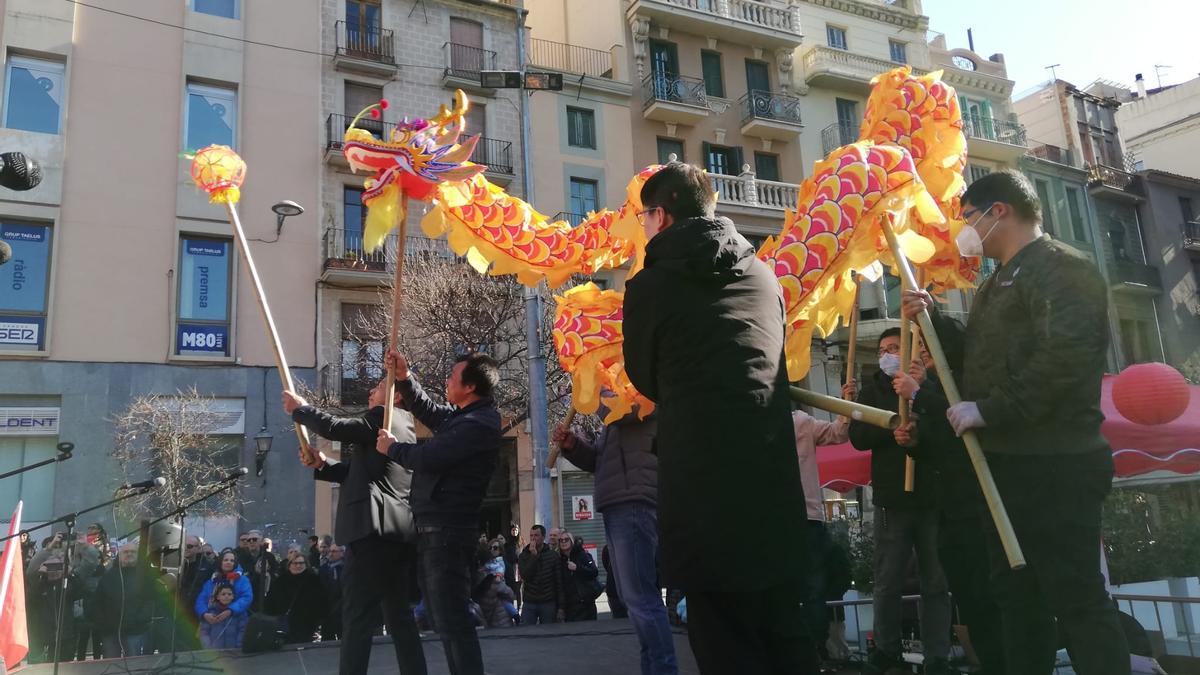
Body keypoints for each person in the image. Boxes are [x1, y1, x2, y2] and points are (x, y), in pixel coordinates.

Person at [902, 170, 1130, 675]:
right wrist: (934, 321)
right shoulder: (991, 286)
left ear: (997, 211)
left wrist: (990, 410)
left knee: (1075, 595)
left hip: (1057, 462)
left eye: (968, 218)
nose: (964, 230)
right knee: (1015, 596)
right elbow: (978, 361)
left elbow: (1065, 359)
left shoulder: (1065, 269)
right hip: (1004, 465)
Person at [621, 161, 817, 673]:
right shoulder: (764, 275)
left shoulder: (649, 285)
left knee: (724, 641)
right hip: (772, 481)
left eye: (644, 216)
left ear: (660, 216)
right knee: (785, 638)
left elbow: (644, 377)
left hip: (704, 487)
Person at [285, 379, 427, 675]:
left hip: (372, 533)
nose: (370, 392)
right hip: (396, 533)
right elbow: (364, 473)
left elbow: (336, 427)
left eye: (378, 386)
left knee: (358, 617)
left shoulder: (382, 418)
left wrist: (301, 410)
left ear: (395, 396)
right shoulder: (405, 427)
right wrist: (324, 464)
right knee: (399, 617)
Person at [376, 350, 503, 675]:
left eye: (452, 376)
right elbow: (430, 411)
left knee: (454, 622)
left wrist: (392, 448)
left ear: (471, 386)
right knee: (444, 620)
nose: (447, 381)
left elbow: (431, 455)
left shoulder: (480, 424)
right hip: (434, 531)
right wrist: (404, 379)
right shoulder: (463, 417)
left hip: (447, 533)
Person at [895, 330, 1007, 675]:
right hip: (951, 512)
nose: (924, 353)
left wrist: (920, 394)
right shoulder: (933, 391)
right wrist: (913, 443)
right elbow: (943, 452)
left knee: (993, 601)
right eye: (922, 347)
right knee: (971, 603)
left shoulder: (969, 383)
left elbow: (966, 435)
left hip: (982, 509)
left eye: (930, 345)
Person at [849, 327, 953, 675]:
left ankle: (938, 655)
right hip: (892, 498)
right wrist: (891, 427)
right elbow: (858, 436)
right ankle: (887, 650)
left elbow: (946, 430)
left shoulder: (931, 386)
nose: (887, 354)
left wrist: (919, 423)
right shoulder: (872, 389)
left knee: (936, 581)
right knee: (887, 579)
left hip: (931, 496)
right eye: (882, 350)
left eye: (894, 347)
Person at [553, 403, 677, 674]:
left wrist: (594, 393)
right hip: (617, 500)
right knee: (633, 599)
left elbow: (623, 411)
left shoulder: (640, 394)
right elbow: (599, 461)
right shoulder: (614, 412)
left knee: (641, 598)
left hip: (634, 499)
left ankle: (664, 669)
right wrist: (573, 445)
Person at [794, 381, 856, 673]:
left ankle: (811, 651)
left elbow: (839, 433)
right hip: (802, 518)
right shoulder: (802, 423)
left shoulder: (802, 424)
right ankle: (812, 652)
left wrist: (846, 402)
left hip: (796, 519)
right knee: (812, 590)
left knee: (808, 590)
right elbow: (839, 432)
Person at [94, 543, 160, 658]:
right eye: (125, 552)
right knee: (111, 666)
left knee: (135, 665)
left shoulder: (146, 576)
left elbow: (152, 600)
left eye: (133, 552)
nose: (129, 554)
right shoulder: (108, 576)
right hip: (110, 632)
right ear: (119, 555)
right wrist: (103, 622)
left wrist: (140, 619)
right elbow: (97, 601)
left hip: (136, 631)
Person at [26, 554, 81, 664]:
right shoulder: (41, 584)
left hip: (65, 635)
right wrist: (40, 575)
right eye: (50, 567)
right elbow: (31, 598)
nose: (54, 570)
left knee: (64, 667)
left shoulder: (67, 584)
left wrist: (71, 574)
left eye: (57, 566)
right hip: (44, 635)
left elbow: (80, 591)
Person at [265, 556, 328, 643]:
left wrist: (317, 620)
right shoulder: (281, 581)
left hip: (307, 624)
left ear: (306, 565)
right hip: (285, 623)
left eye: (301, 563)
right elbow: (270, 601)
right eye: (295, 563)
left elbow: (322, 601)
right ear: (289, 565)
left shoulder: (313, 580)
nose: (298, 566)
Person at [195, 549, 253, 633]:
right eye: (225, 560)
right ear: (220, 562)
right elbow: (201, 599)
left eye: (232, 560)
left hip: (235, 622)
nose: (228, 562)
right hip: (212, 621)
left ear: (235, 564)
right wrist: (204, 614)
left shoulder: (242, 580)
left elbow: (247, 597)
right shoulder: (212, 580)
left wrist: (230, 610)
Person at [517, 525, 564, 625]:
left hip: (548, 601)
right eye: (531, 535)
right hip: (530, 601)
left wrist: (561, 607)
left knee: (549, 633)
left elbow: (559, 582)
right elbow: (525, 575)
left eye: (536, 535)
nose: (533, 538)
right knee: (526, 632)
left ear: (543, 537)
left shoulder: (552, 556)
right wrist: (533, 556)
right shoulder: (524, 555)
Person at [556, 531, 599, 622]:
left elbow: (594, 571)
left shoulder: (582, 555)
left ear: (571, 541)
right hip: (570, 606)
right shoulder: (560, 560)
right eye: (561, 540)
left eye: (566, 539)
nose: (563, 542)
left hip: (586, 603)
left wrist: (577, 568)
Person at [198, 583, 249, 650]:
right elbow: (204, 633)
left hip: (234, 653)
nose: (226, 596)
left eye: (229, 594)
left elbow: (243, 631)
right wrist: (208, 648)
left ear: (233, 597)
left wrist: (238, 647)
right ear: (218, 597)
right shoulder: (210, 613)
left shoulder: (240, 613)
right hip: (215, 653)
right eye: (223, 594)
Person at [236, 530, 277, 612]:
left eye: (254, 539)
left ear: (261, 542)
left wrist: (266, 574)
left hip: (264, 597)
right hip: (247, 596)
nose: (251, 542)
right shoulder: (241, 558)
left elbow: (275, 574)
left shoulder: (269, 557)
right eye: (249, 540)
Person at [318, 544, 345, 642]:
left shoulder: (346, 568)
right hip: (328, 610)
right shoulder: (324, 568)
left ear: (342, 553)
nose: (330, 554)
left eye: (334, 551)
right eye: (330, 551)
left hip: (343, 609)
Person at [503, 524, 521, 608]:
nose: (514, 532)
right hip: (511, 567)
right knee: (511, 588)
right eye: (513, 530)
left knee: (518, 589)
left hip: (519, 568)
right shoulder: (508, 543)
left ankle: (519, 606)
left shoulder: (521, 542)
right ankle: (512, 606)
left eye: (516, 530)